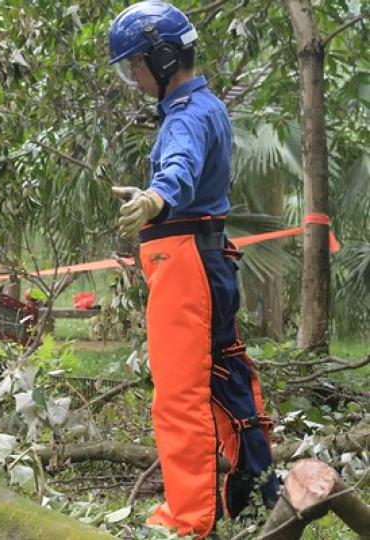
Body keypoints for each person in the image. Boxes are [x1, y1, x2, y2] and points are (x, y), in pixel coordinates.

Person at [107, 2, 279, 537]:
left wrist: (157, 197)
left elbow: (180, 169)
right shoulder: (206, 107)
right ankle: (259, 489)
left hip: (188, 267)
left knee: (179, 393)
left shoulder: (186, 116)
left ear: (159, 60)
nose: (132, 77)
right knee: (225, 374)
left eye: (134, 65)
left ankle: (187, 520)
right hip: (204, 259)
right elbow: (191, 178)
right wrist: (156, 196)